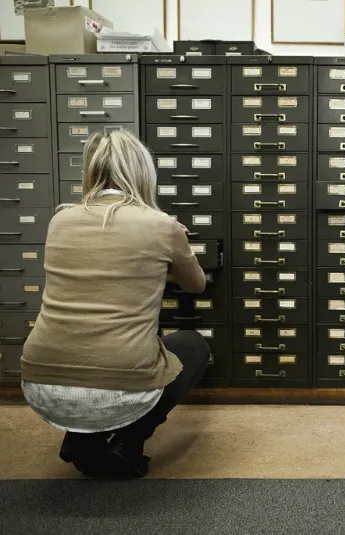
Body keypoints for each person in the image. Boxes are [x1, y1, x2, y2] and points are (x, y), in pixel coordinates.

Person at [20, 130, 211, 478]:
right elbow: (196, 284)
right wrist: (168, 250)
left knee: (88, 346)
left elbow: (97, 271)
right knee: (192, 345)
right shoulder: (161, 226)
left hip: (41, 379)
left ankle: (81, 436)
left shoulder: (60, 220)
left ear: (90, 171)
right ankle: (129, 443)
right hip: (120, 383)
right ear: (143, 172)